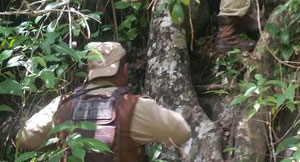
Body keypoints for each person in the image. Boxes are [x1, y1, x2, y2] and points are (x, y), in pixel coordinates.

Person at [18, 42, 191, 160]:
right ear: (125, 70)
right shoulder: (133, 107)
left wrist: (61, 141)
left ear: (91, 72)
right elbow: (182, 131)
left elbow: (24, 137)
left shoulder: (62, 104)